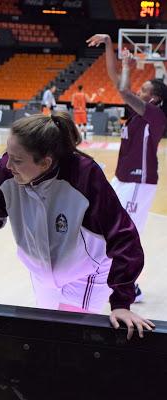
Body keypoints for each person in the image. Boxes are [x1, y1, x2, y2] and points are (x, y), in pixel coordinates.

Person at [0, 111, 155, 340]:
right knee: (43, 333)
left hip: (88, 272)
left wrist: (121, 303)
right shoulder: (5, 172)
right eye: (8, 154)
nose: (8, 165)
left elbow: (125, 237)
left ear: (45, 162)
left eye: (17, 160)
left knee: (68, 339)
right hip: (41, 272)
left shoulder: (84, 176)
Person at [87, 33, 167, 301]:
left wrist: (128, 68)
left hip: (138, 181)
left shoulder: (155, 115)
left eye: (143, 90)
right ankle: (117, 277)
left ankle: (129, 283)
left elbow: (122, 89)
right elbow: (116, 81)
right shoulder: (137, 115)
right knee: (105, 223)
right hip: (123, 179)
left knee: (125, 232)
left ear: (154, 98)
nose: (138, 92)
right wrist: (110, 43)